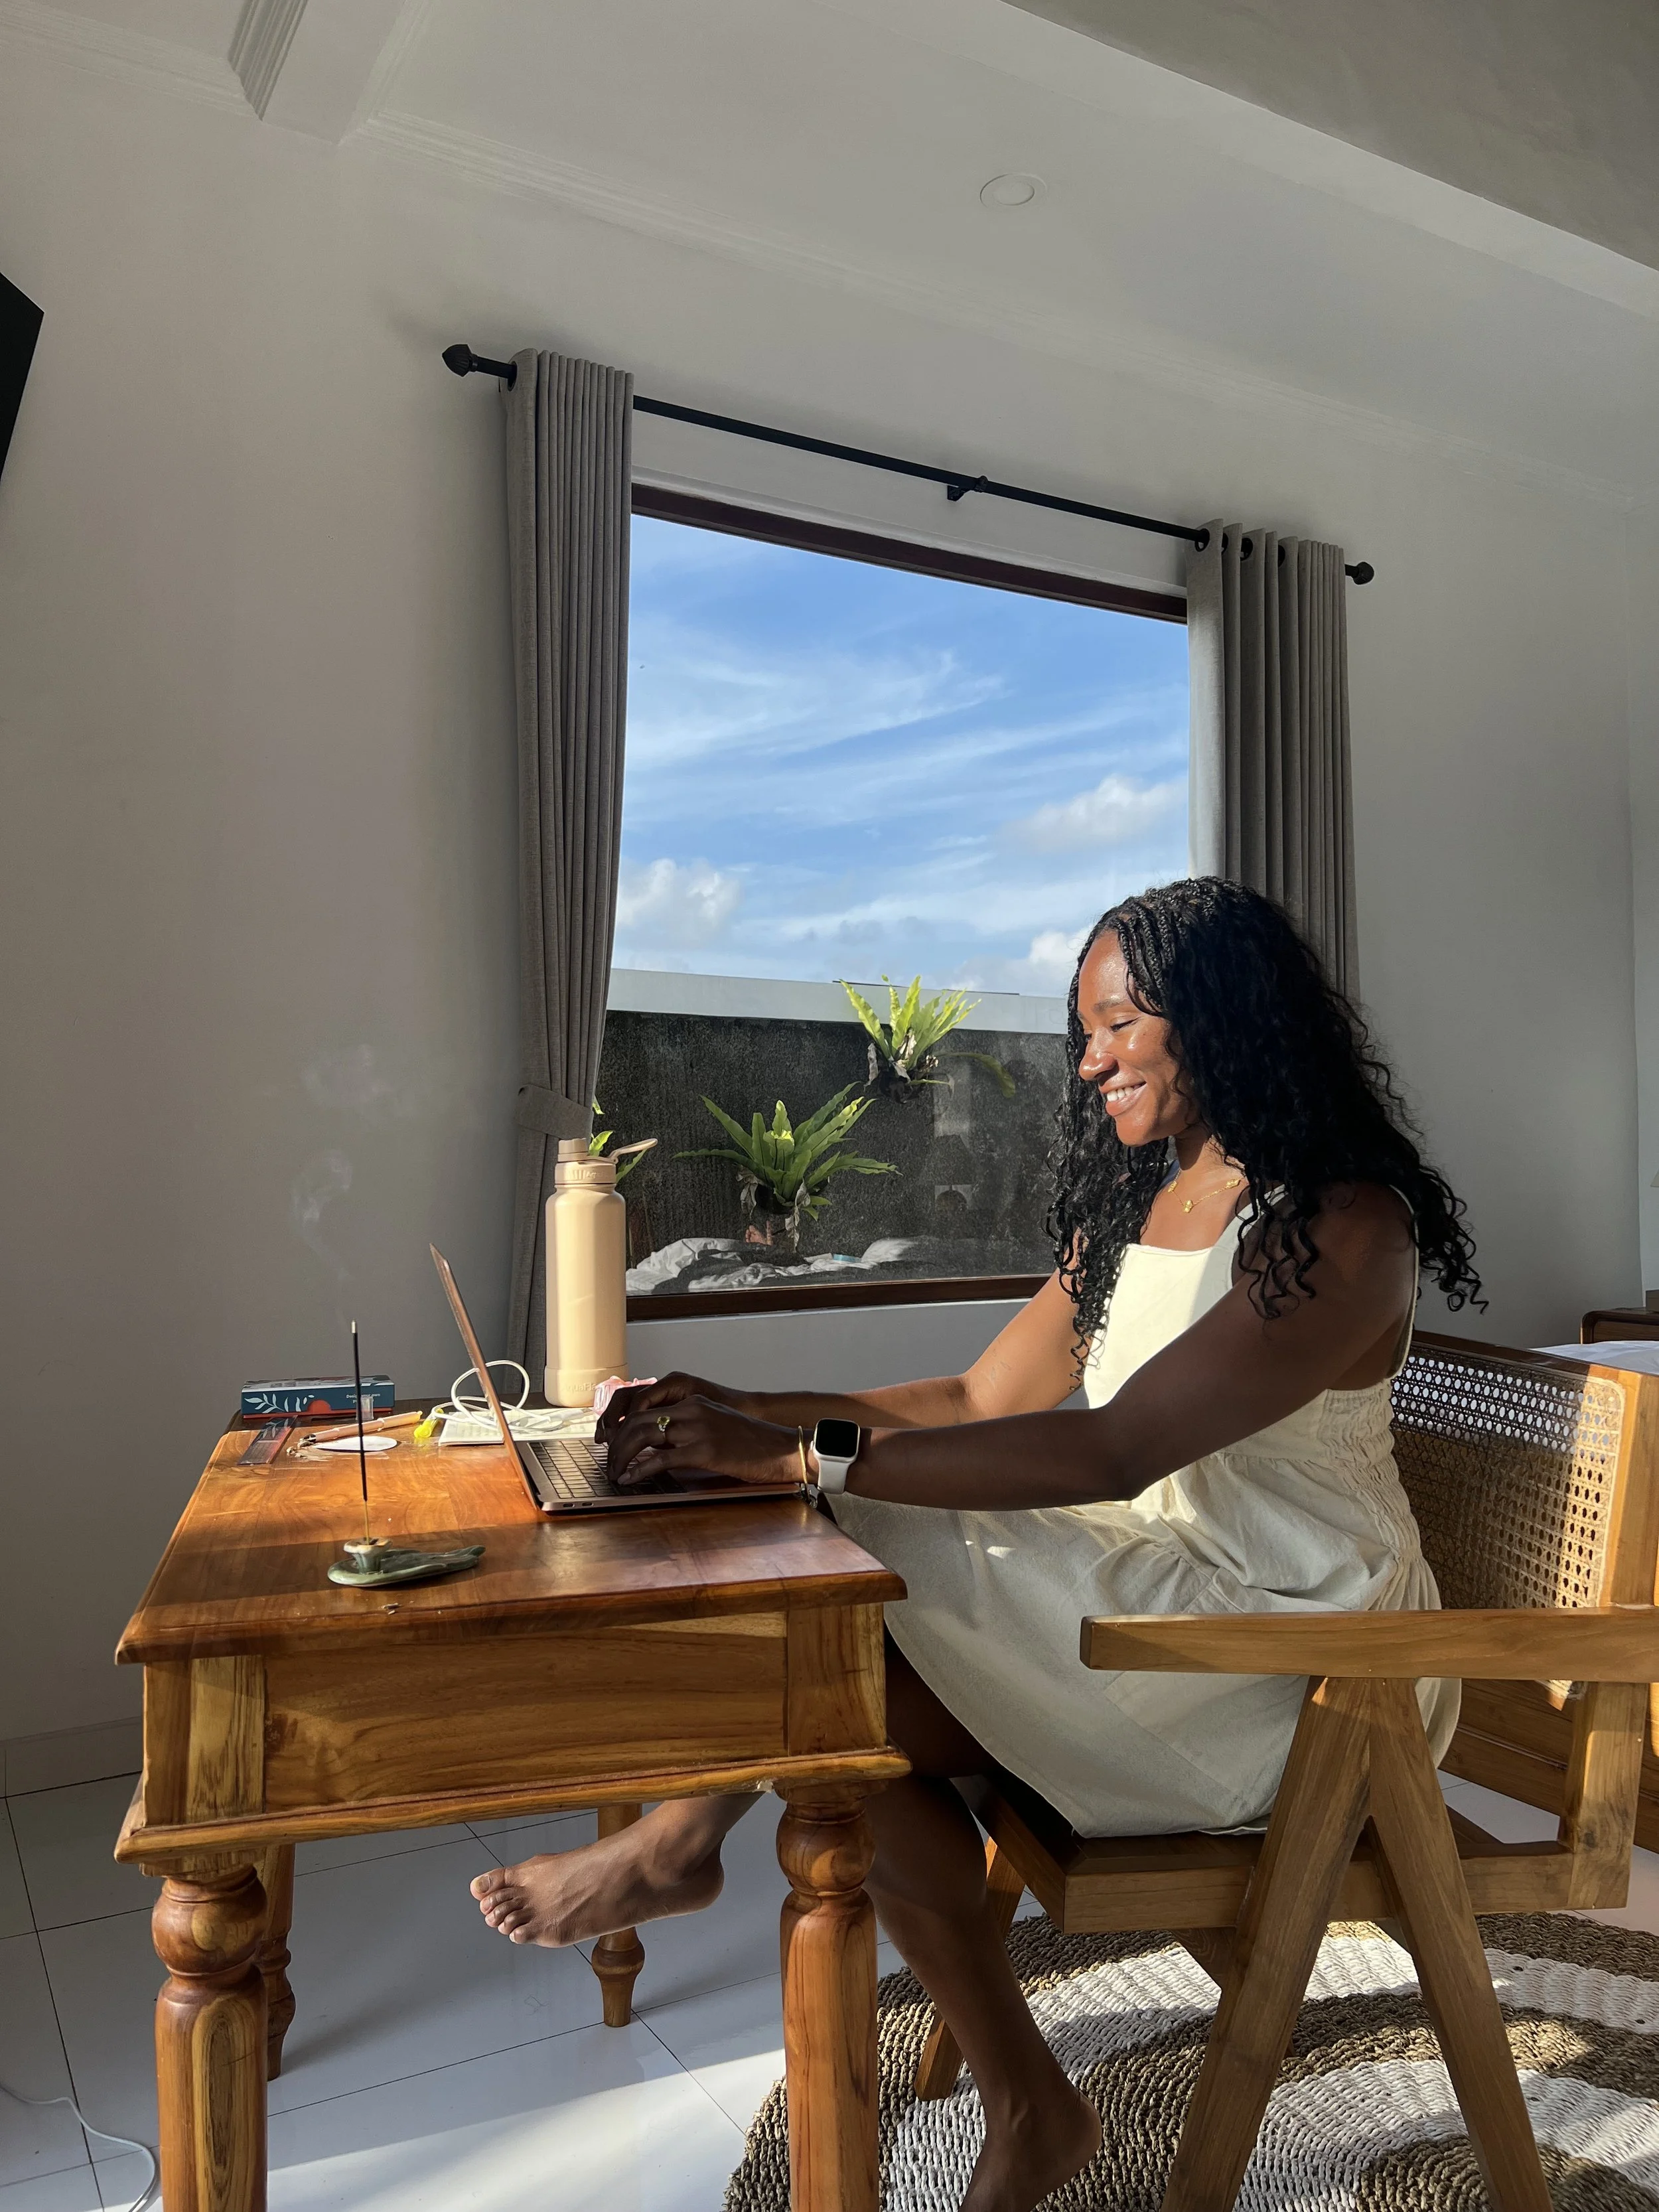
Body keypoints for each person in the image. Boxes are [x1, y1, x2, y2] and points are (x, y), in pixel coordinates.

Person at [471, 877, 1482, 2212]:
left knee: (835, 1533)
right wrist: (728, 1412)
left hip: (1300, 1674)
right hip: (1152, 1619)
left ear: (1225, 1018)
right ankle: (1031, 2106)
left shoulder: (1342, 1228)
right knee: (834, 1706)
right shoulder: (1135, 1211)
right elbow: (967, 1400)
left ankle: (669, 1849)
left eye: (1119, 1024)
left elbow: (1116, 1448)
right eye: (1084, 1029)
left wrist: (794, 1456)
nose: (1088, 1057)